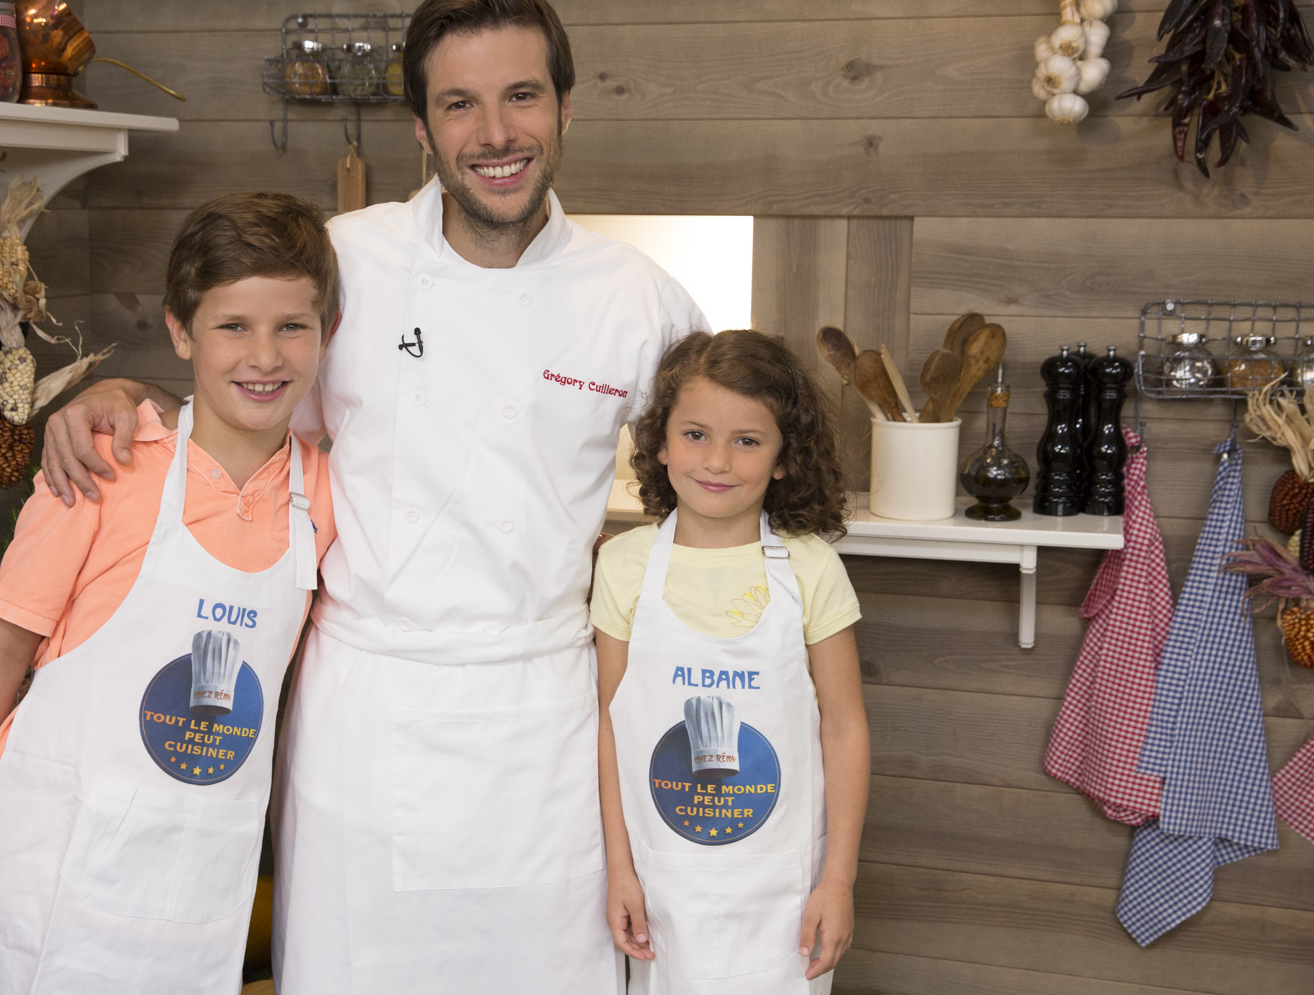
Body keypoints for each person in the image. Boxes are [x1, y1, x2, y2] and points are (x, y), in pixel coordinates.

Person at [43, 2, 707, 991]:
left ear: (566, 108)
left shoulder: (636, 299)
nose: (495, 133)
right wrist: (126, 396)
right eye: (460, 104)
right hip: (365, 717)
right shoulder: (345, 262)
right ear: (422, 128)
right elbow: (244, 403)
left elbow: (724, 465)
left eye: (521, 96)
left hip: (544, 725)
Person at [0, 192, 340, 994]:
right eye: (232, 326)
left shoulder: (324, 494)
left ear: (328, 334)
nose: (264, 356)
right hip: (50, 873)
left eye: (292, 326)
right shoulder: (104, 466)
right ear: (181, 331)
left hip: (196, 891)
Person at [592, 330, 869, 993]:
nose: (717, 460)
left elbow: (845, 728)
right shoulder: (624, 566)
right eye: (695, 434)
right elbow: (611, 725)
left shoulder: (810, 568)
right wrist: (620, 869)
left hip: (785, 890)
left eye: (747, 440)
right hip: (663, 882)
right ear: (661, 443)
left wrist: (838, 880)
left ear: (784, 456)